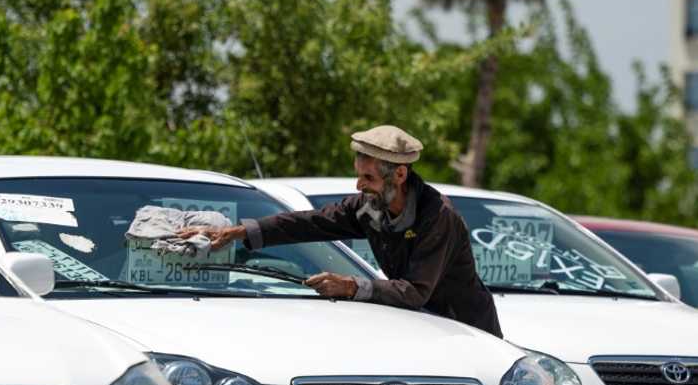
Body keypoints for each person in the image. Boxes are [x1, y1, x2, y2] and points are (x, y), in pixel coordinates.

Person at [179, 125, 502, 337]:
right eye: (358, 175)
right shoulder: (366, 205)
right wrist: (237, 233)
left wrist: (350, 286)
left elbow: (415, 291)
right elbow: (309, 222)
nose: (359, 185)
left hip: (465, 331)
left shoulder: (437, 216)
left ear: (400, 175)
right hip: (417, 325)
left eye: (369, 178)